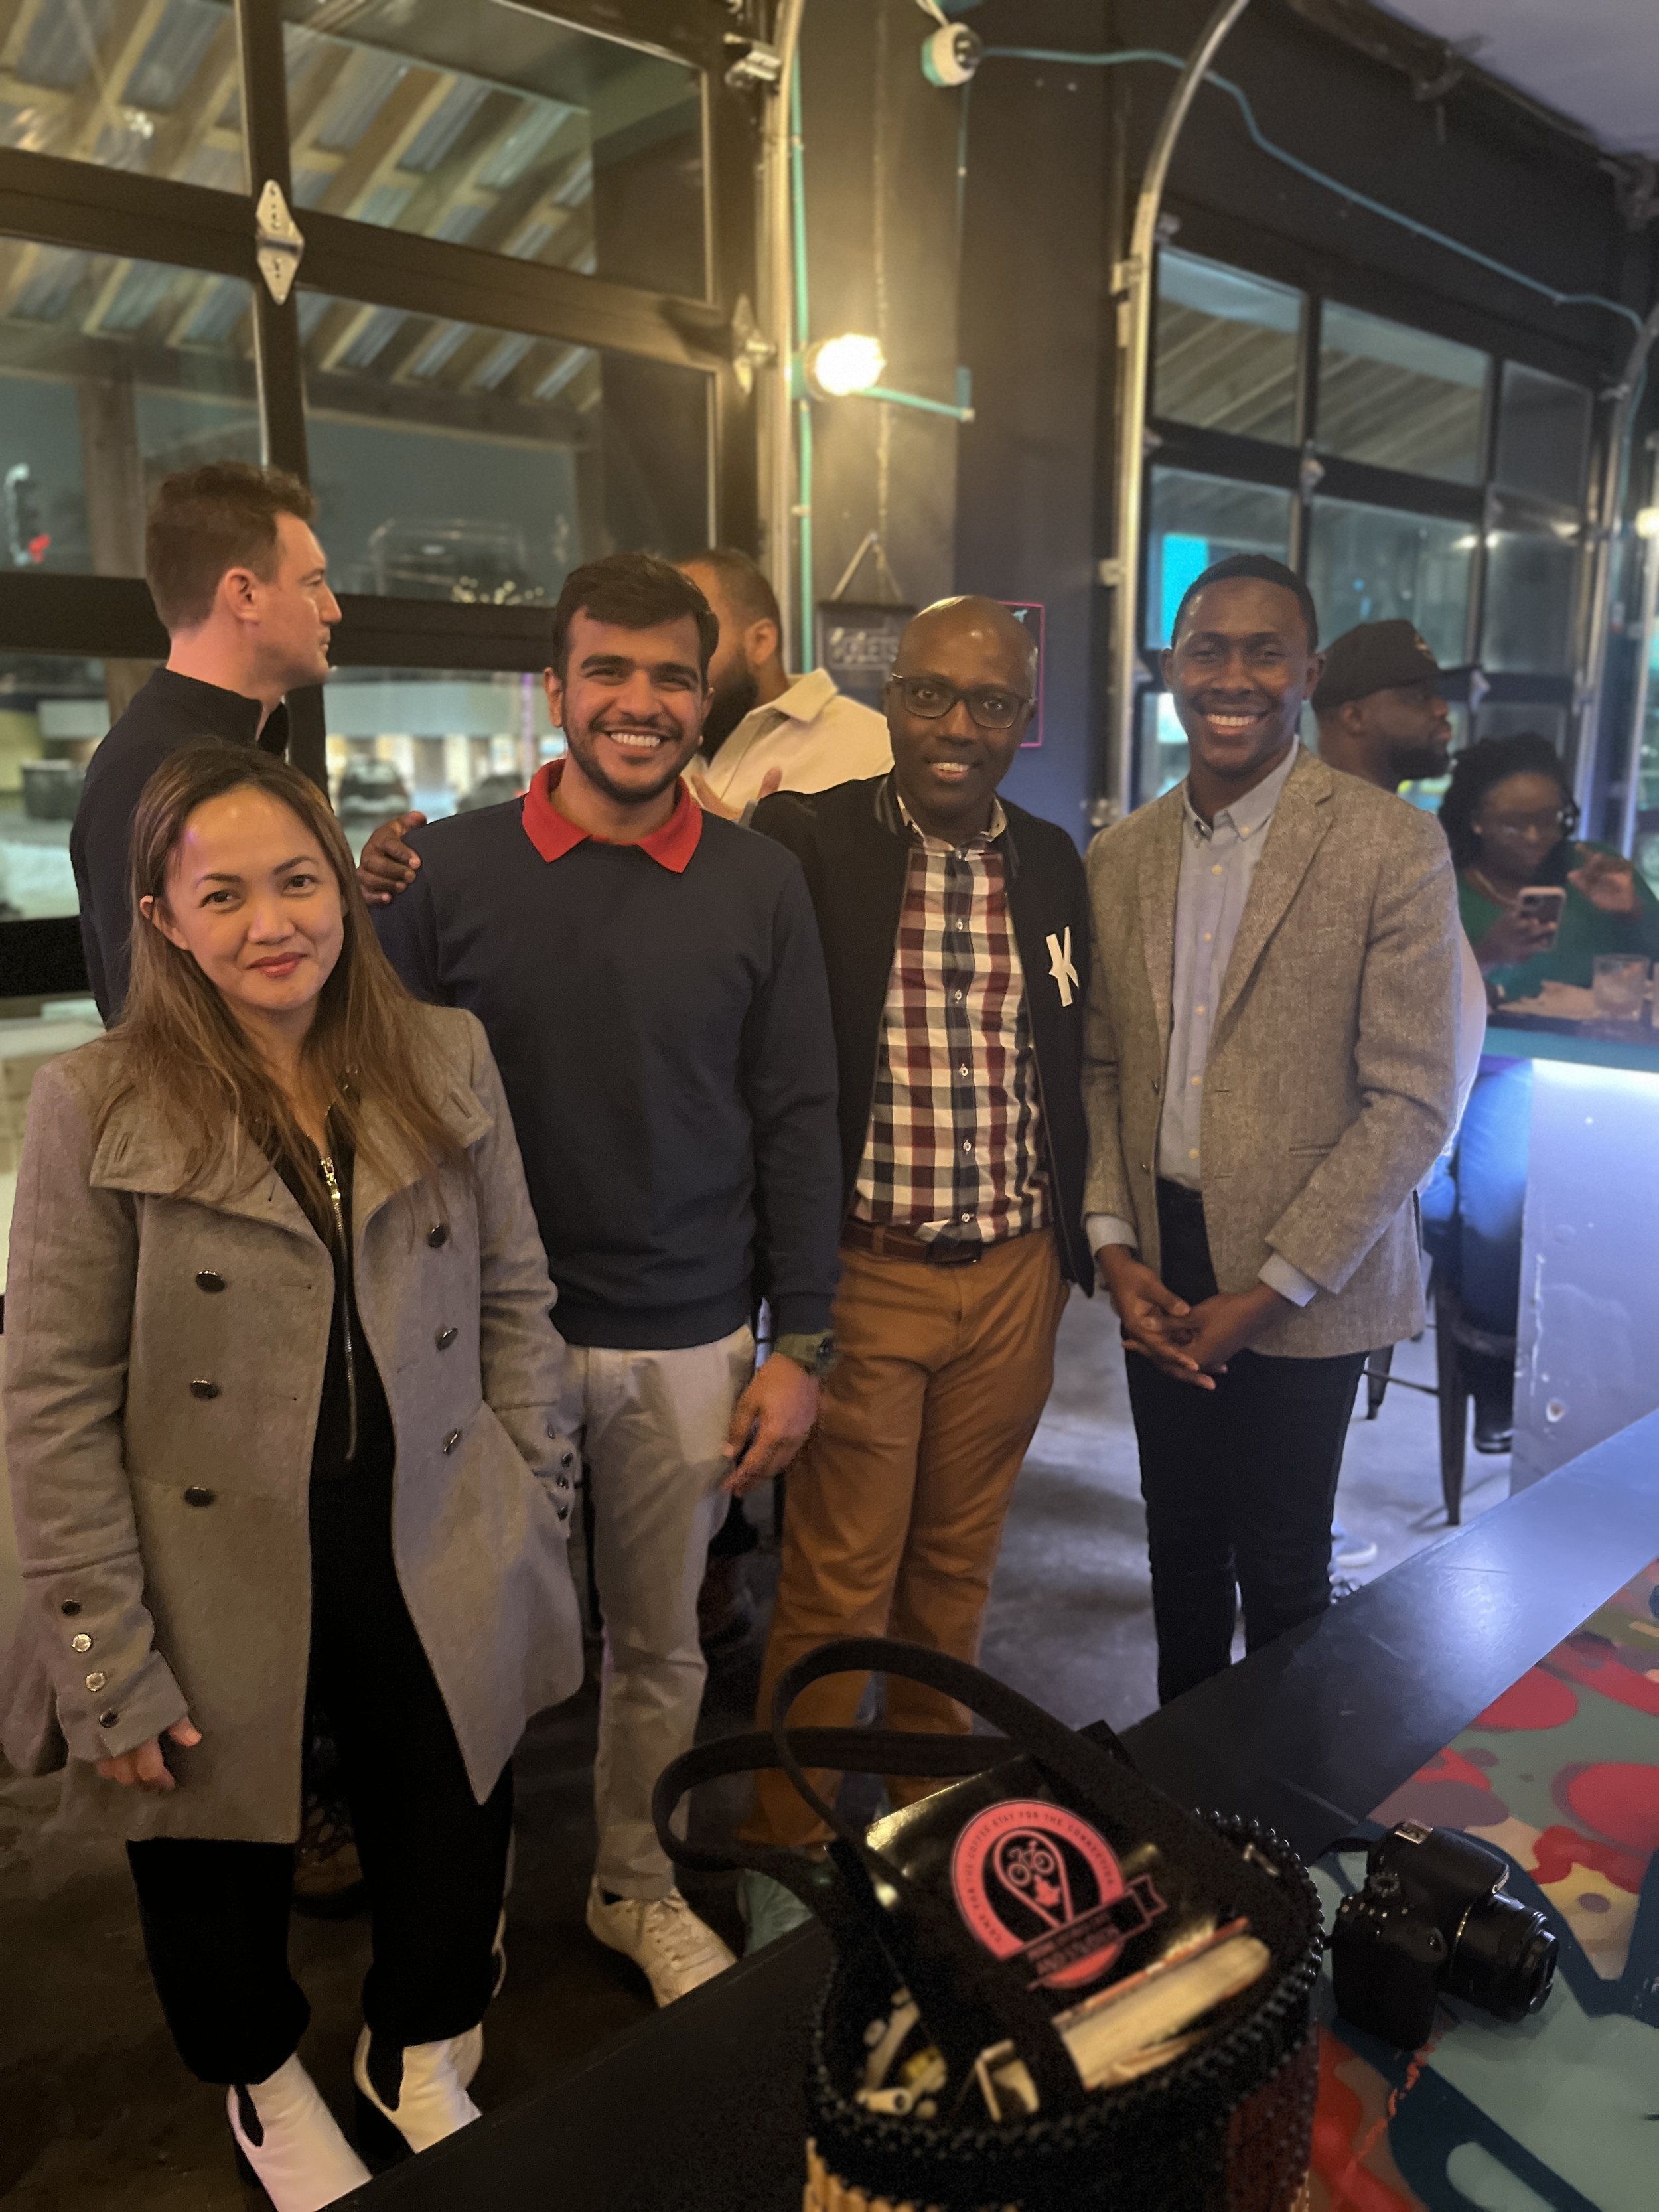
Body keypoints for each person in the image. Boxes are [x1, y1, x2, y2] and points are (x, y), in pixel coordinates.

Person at [5, 745, 583, 2211]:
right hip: (203, 1550)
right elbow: (51, 1398)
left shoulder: (439, 1053)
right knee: (209, 1845)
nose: (274, 919)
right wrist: (102, 1658)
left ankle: (421, 2042)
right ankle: (261, 2074)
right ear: (165, 917)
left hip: (433, 1510)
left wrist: (533, 1500)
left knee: (452, 1804)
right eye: (225, 892)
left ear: (344, 886)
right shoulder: (97, 1100)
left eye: (299, 878)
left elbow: (517, 1295)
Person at [372, 552, 843, 2006]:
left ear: (711, 693)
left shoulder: (763, 882)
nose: (639, 703)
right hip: (483, 1340)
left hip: (691, 1334)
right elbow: (368, 1090)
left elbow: (797, 1114)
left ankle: (634, 1885)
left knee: (662, 1649)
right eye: (609, 672)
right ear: (557, 687)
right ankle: (465, 1922)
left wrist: (799, 1341)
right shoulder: (444, 870)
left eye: (670, 676)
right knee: (482, 1651)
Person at [735, 596, 1093, 1946]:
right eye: (931, 695)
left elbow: (1065, 1061)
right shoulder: (807, 843)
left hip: (1011, 1270)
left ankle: (922, 1824)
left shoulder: (1053, 863)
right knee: (835, 1582)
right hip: (868, 1272)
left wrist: (1071, 1251)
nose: (956, 726)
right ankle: (788, 1856)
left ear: (1022, 720)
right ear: (891, 701)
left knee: (953, 1574)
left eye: (987, 703)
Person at [1084, 554, 1459, 1705]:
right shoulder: (1120, 856)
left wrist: (1273, 1289)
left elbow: (1411, 1099)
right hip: (1162, 1254)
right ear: (1169, 671)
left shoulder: (1390, 847)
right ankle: (1178, 1805)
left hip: (1314, 1272)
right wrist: (1113, 1246)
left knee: (1285, 1561)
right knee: (1179, 1547)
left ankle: (1280, 1824)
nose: (1233, 675)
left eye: (1264, 651)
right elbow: (1100, 1065)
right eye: (1208, 649)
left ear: (1307, 674)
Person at [1422, 732, 1659, 1448]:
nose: (1534, 837)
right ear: (1472, 819)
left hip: (1585, 1071)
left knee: (1508, 1200)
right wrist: (1486, 953)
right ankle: (1494, 1365)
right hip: (1476, 1065)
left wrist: (1634, 913)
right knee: (1484, 1205)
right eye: (1512, 822)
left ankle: (1513, 1356)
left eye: (1550, 818)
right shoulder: (1438, 883)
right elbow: (1413, 997)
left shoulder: (1598, 875)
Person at [1313, 619, 1487, 1563]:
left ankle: (1302, 1534)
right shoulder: (1335, 836)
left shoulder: (1406, 835)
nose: (1441, 713)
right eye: (1420, 696)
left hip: (1387, 1177)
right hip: (1346, 1181)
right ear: (1351, 711)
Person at [70, 463, 340, 1022]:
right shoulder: (151, 768)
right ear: (244, 593)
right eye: (313, 583)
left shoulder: (239, 744)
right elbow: (157, 1030)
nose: (333, 608)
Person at [676, 546, 892, 818]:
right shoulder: (660, 741)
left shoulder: (873, 749)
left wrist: (775, 845)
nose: (673, 660)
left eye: (691, 638)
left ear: (761, 642)